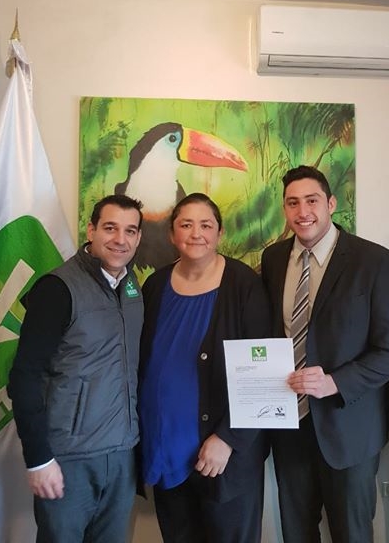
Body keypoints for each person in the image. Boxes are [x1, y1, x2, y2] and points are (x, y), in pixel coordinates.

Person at [261, 165, 389, 543]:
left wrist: (335, 382)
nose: (302, 212)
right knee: (296, 533)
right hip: (289, 427)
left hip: (349, 428)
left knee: (352, 534)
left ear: (330, 204)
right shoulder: (273, 259)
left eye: (311, 201)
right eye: (293, 203)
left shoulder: (373, 261)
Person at [8, 193, 144, 543]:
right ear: (91, 230)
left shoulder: (132, 286)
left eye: (130, 231)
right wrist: (38, 459)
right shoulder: (57, 288)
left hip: (121, 454)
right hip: (69, 459)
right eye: (110, 228)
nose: (120, 239)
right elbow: (23, 376)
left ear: (139, 237)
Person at [139, 192, 271, 543]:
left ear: (220, 233)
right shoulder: (155, 286)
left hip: (223, 454)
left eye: (206, 225)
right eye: (186, 225)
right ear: (172, 234)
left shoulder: (244, 285)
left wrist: (228, 438)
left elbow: (263, 373)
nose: (196, 233)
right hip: (167, 447)